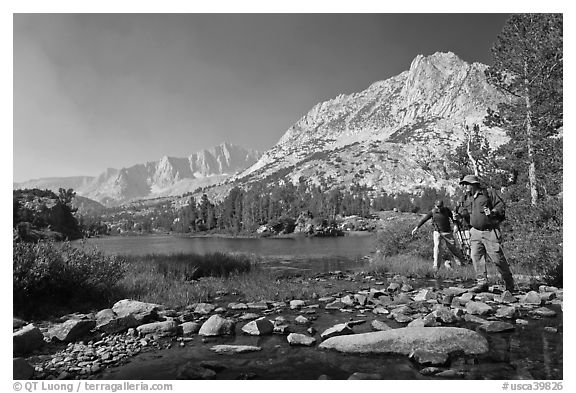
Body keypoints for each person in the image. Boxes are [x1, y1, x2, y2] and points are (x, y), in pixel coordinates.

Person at [454, 174, 515, 293]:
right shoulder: (466, 198)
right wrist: (459, 216)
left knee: (497, 258)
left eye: (467, 184)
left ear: (474, 185)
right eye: (464, 184)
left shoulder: (489, 193)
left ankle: (509, 282)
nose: (465, 186)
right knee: (476, 257)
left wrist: (493, 211)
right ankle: (482, 283)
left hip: (490, 231)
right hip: (474, 231)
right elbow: (466, 213)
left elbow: (500, 205)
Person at [411, 199, 466, 271]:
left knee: (453, 248)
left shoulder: (447, 210)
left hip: (447, 232)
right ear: (435, 206)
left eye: (440, 206)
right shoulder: (432, 212)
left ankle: (461, 264)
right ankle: (436, 267)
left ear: (443, 205)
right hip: (437, 232)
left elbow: (453, 218)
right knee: (437, 248)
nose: (439, 208)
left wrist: (455, 225)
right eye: (438, 206)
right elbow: (424, 220)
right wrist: (416, 228)